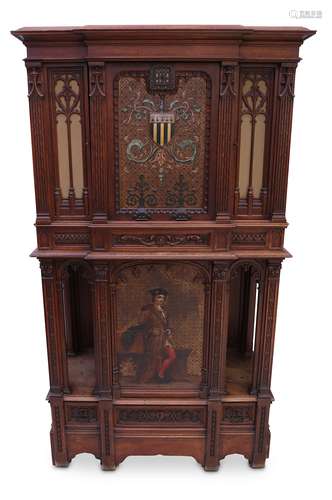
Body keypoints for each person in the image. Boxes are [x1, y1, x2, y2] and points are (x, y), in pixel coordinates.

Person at [122, 288, 176, 383]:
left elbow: (168, 324)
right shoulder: (148, 310)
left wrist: (169, 330)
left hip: (164, 337)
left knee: (171, 356)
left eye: (163, 298)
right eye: (159, 297)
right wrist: (151, 330)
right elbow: (141, 324)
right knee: (154, 358)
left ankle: (160, 374)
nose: (161, 300)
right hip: (154, 338)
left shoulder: (165, 311)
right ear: (154, 298)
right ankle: (148, 378)